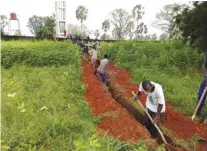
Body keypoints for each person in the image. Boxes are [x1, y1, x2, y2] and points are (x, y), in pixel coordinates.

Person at [196, 52, 207, 117]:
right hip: (206, 80)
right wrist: (206, 75)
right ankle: (198, 112)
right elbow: (203, 66)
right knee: (201, 96)